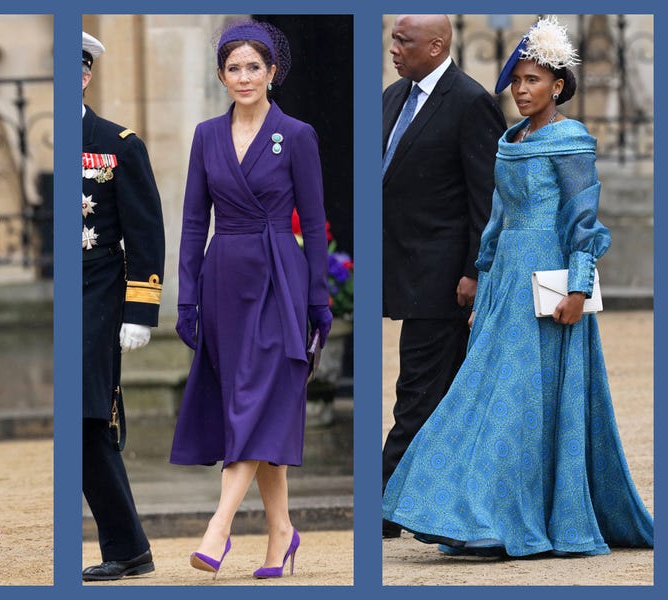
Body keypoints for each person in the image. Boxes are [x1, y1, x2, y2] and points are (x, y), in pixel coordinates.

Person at [382, 16, 654, 557]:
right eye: (518, 80)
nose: (521, 90)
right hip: (505, 280)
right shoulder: (510, 138)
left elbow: (582, 220)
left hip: (550, 284)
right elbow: (494, 219)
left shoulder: (572, 140)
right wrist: (481, 278)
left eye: (533, 80)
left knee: (527, 401)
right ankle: (470, 512)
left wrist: (578, 288)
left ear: (557, 86)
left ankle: (512, 520)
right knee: (483, 395)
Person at [171, 19, 332, 579]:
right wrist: (186, 298)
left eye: (253, 67)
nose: (243, 77)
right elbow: (194, 223)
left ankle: (218, 529)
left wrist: (318, 300)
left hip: (278, 280)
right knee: (254, 406)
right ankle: (281, 534)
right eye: (233, 68)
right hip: (223, 283)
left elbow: (313, 225)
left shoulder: (299, 134)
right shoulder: (205, 136)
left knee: (255, 401)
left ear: (273, 72)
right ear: (221, 75)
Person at [380, 14, 506, 539]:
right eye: (393, 38)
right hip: (400, 267)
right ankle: (435, 509)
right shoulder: (392, 96)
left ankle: (383, 509)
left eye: (403, 41)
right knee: (436, 392)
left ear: (436, 46)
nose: (394, 47)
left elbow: (487, 196)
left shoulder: (470, 100)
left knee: (416, 391)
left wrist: (475, 271)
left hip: (442, 278)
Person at [80, 31, 165, 582]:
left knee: (89, 418)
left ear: (86, 75)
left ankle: (127, 546)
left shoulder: (118, 143)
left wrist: (140, 309)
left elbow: (146, 232)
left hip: (98, 294)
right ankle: (128, 546)